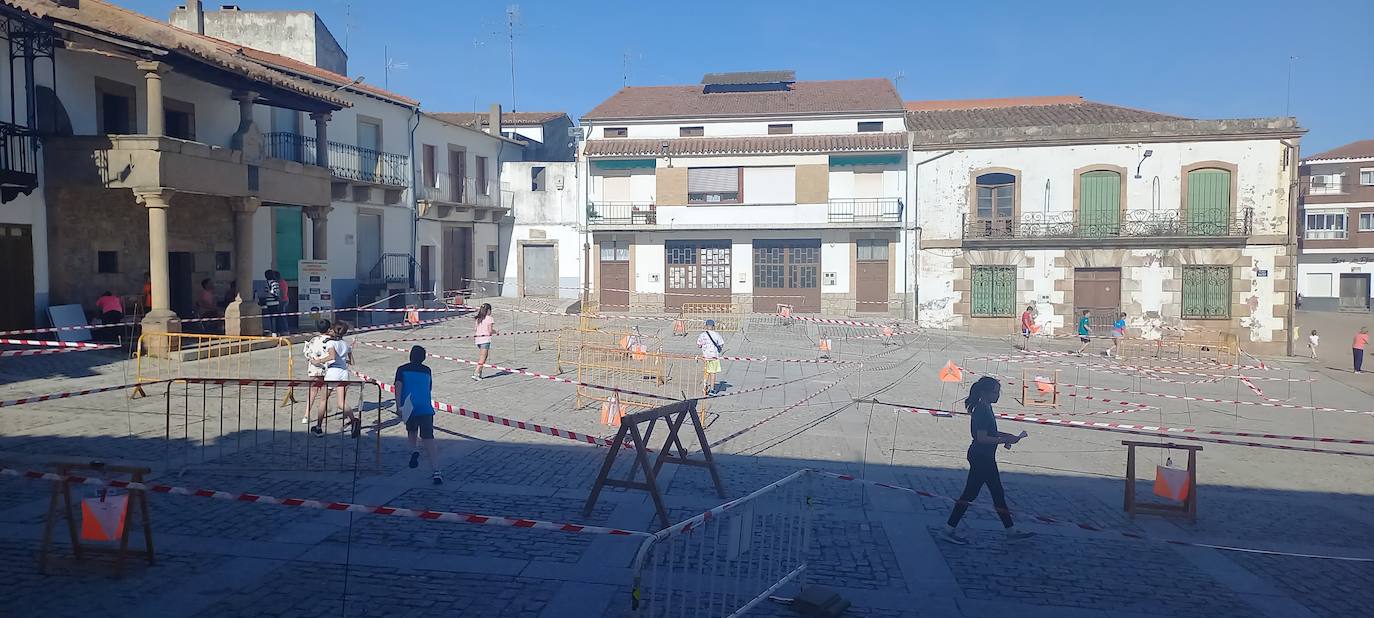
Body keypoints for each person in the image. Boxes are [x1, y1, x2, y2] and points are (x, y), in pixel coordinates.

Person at [941, 376, 1035, 545]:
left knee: (991, 494)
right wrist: (1003, 440)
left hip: (984, 456)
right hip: (981, 457)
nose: (997, 395)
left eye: (998, 392)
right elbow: (982, 437)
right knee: (978, 494)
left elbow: (992, 432)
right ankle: (949, 529)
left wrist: (1008, 437)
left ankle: (1010, 531)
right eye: (995, 392)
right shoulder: (981, 410)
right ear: (984, 393)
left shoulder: (987, 407)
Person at [396, 345, 442, 485]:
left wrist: (399, 406)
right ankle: (436, 471)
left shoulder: (402, 369)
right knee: (428, 439)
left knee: (411, 430)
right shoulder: (427, 370)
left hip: (410, 405)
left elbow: (398, 387)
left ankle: (414, 450)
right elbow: (429, 388)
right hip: (425, 407)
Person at [312, 322, 359, 437]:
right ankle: (354, 420)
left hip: (333, 373)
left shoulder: (331, 343)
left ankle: (318, 427)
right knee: (341, 403)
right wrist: (342, 360)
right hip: (344, 373)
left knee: (323, 400)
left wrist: (317, 361)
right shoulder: (346, 344)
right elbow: (351, 362)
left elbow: (332, 357)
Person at [302, 319, 332, 425]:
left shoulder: (313, 340)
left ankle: (306, 415)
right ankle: (322, 413)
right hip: (326, 369)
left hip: (314, 368)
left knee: (312, 391)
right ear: (329, 329)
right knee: (324, 394)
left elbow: (306, 353)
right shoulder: (331, 341)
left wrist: (312, 360)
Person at [697, 319, 724, 395]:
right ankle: (712, 390)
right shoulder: (716, 334)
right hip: (713, 356)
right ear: (713, 326)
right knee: (713, 373)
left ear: (706, 326)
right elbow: (721, 343)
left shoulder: (702, 335)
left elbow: (699, 345)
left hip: (705, 356)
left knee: (706, 372)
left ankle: (705, 387)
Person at [471, 303, 496, 381]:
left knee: (483, 357)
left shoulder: (478, 318)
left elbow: (475, 329)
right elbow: (490, 331)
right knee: (483, 358)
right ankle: (476, 373)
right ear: (488, 310)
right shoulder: (489, 318)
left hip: (478, 339)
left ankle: (479, 373)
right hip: (485, 340)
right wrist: (496, 331)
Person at [262, 269, 283, 336]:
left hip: (268, 303)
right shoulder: (275, 283)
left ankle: (272, 332)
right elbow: (277, 293)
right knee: (276, 318)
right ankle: (276, 332)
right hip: (275, 303)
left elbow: (265, 293)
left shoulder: (265, 283)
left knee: (271, 318)